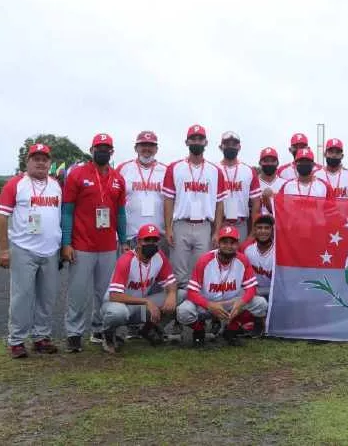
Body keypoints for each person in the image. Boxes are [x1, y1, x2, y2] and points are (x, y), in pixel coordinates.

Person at [61, 134, 127, 353]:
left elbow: (120, 212)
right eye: (99, 148)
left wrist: (124, 240)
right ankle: (74, 333)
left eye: (107, 148)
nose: (103, 151)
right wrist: (66, 242)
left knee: (105, 292)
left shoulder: (118, 178)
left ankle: (100, 329)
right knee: (78, 292)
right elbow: (68, 211)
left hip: (108, 245)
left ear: (112, 152)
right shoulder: (77, 174)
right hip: (82, 244)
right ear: (91, 149)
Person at [0, 144, 62, 358]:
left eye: (44, 159)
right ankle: (16, 340)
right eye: (36, 158)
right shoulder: (16, 184)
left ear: (49, 163)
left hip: (50, 250)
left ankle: (41, 337)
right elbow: (3, 217)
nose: (40, 162)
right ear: (27, 161)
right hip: (23, 248)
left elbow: (59, 217)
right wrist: (4, 250)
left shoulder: (55, 185)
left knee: (47, 297)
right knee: (22, 297)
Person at [177, 225, 268, 347]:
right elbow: (191, 292)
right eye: (225, 242)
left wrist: (241, 302)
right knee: (183, 311)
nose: (229, 246)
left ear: (237, 244)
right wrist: (209, 305)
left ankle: (231, 329)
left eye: (232, 243)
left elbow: (251, 288)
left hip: (230, 303)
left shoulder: (243, 260)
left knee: (260, 304)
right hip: (206, 303)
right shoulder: (204, 260)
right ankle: (199, 330)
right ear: (218, 243)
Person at [100, 224, 184, 354]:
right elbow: (114, 296)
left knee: (182, 295)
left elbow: (171, 282)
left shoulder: (159, 256)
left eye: (154, 240)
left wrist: (172, 294)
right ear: (138, 242)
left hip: (141, 304)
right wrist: (146, 302)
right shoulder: (126, 260)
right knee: (118, 313)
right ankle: (108, 336)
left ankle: (150, 329)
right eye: (147, 240)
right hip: (118, 304)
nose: (151, 244)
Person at [163, 125, 227, 288]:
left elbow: (219, 204)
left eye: (200, 139)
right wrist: (168, 228)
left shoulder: (215, 171)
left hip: (204, 226)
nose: (196, 142)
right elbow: (168, 200)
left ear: (206, 142)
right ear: (187, 142)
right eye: (193, 139)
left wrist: (217, 231)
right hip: (181, 224)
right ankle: (179, 311)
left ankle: (199, 310)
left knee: (202, 270)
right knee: (179, 273)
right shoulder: (174, 167)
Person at [116, 131, 167, 251]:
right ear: (136, 148)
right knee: (131, 269)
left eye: (151, 145)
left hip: (158, 236)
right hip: (131, 235)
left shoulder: (166, 170)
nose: (147, 148)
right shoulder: (123, 169)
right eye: (143, 145)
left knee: (159, 269)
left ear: (156, 149)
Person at [218, 131, 261, 242]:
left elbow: (256, 203)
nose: (231, 147)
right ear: (221, 147)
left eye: (234, 144)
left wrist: (252, 232)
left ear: (239, 147)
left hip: (240, 223)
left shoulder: (249, 171)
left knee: (239, 257)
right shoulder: (214, 170)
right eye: (227, 144)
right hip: (219, 223)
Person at [240, 215, 275, 336]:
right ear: (254, 230)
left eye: (267, 228)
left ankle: (264, 322)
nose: (263, 231)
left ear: (272, 230)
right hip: (255, 291)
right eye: (259, 228)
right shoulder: (247, 248)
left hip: (275, 292)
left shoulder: (279, 249)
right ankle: (258, 322)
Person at [257, 147, 285, 215]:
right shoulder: (253, 183)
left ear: (277, 163)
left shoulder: (285, 184)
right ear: (260, 163)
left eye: (272, 161)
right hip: (258, 223)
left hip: (278, 224)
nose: (269, 163)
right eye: (266, 161)